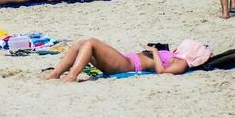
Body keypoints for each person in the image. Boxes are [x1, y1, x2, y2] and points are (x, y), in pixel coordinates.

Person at [45, 40, 190, 82]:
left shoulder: (181, 62)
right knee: (80, 44)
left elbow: (162, 72)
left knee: (90, 43)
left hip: (128, 65)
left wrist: (154, 52)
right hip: (125, 59)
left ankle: (71, 76)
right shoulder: (175, 54)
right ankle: (55, 74)